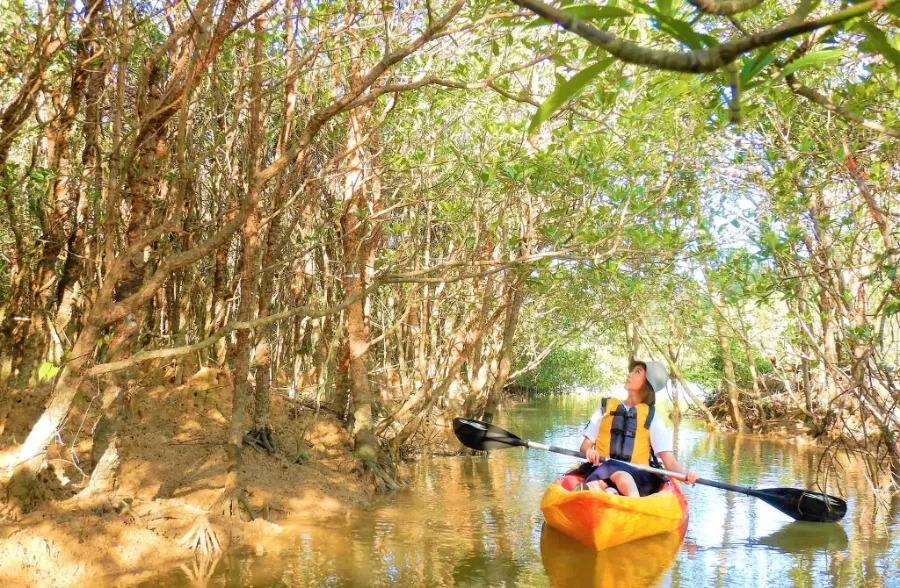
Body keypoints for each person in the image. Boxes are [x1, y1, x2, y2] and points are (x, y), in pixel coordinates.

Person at [575, 359, 699, 497]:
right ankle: (603, 493)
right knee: (606, 473)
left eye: (637, 372)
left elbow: (668, 460)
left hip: (637, 475)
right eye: (632, 371)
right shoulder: (605, 408)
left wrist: (685, 476)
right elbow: (585, 447)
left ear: (647, 383)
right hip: (602, 470)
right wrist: (589, 452)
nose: (629, 374)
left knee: (619, 472)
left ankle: (632, 502)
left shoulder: (653, 419)